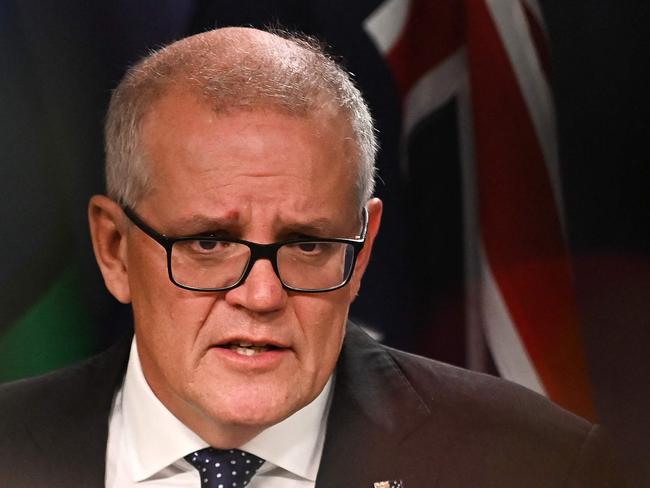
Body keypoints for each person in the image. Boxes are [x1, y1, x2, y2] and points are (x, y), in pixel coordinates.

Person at [0, 27, 625, 488]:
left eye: (308, 244)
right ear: (114, 249)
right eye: (210, 243)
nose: (263, 296)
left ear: (364, 247)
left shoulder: (541, 467)